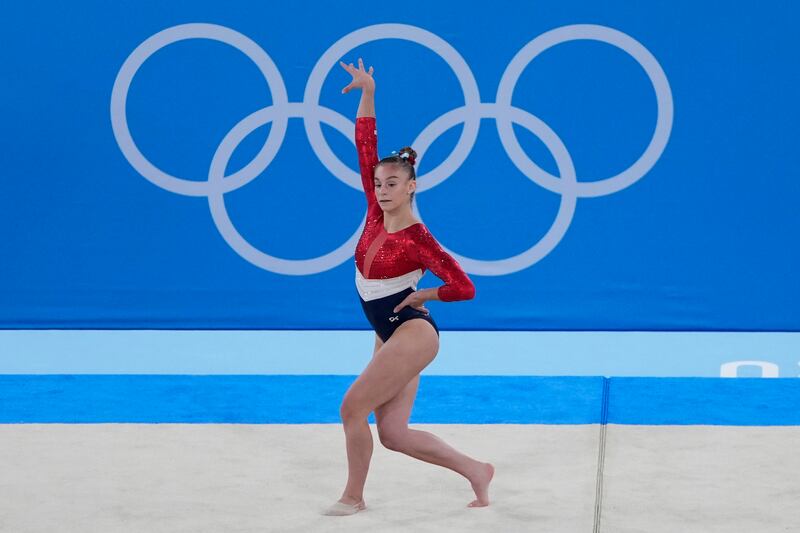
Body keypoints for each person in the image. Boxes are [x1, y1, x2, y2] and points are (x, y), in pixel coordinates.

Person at [322, 57, 495, 516]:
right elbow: (365, 146)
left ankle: (353, 497)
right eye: (378, 183)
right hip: (387, 329)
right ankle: (477, 470)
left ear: (412, 186)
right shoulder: (375, 212)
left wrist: (426, 294)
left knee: (351, 408)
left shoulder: (418, 238)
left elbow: (464, 287)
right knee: (393, 434)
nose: (381, 190)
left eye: (392, 183)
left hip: (411, 333)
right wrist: (368, 93)